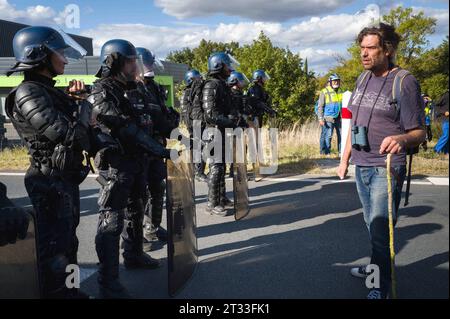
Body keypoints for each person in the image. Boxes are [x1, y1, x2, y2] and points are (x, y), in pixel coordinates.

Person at [337, 23, 426, 299]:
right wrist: (345, 159)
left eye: (371, 48)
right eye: (361, 48)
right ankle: (376, 265)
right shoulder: (362, 79)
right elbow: (353, 123)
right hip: (361, 164)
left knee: (379, 229)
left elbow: (420, 132)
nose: (364, 54)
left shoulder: (404, 81)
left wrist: (401, 139)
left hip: (386, 167)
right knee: (371, 224)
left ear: (386, 50)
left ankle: (379, 286)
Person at [5, 26, 92, 298]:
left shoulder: (48, 91)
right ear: (40, 55)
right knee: (54, 250)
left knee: (69, 244)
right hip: (48, 180)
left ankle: (71, 292)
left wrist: (78, 102)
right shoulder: (28, 93)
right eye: (60, 54)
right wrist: (85, 108)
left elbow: (80, 132)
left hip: (63, 178)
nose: (65, 60)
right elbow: (67, 135)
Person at [88, 40, 171, 298]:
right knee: (112, 220)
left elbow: (153, 119)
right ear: (114, 62)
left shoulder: (137, 89)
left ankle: (134, 254)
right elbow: (125, 127)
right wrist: (161, 151)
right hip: (116, 165)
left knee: (137, 208)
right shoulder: (101, 92)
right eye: (130, 60)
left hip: (137, 163)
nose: (135, 65)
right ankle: (108, 281)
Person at [135, 47, 180, 251]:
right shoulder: (129, 88)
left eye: (152, 63)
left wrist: (180, 136)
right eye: (148, 63)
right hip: (139, 149)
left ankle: (152, 226)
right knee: (138, 195)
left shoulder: (153, 87)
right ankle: (137, 237)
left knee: (157, 188)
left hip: (156, 147)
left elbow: (161, 118)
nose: (151, 67)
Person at [203, 52, 238, 216]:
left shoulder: (221, 84)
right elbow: (210, 114)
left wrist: (237, 119)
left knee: (222, 166)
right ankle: (212, 203)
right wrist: (229, 121)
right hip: (212, 132)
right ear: (218, 65)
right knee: (216, 168)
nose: (229, 68)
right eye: (226, 65)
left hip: (221, 131)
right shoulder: (211, 85)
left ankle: (221, 197)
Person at [181, 69, 208, 182]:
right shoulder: (188, 93)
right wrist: (190, 127)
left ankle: (197, 171)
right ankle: (198, 172)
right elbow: (185, 112)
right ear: (190, 79)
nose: (200, 79)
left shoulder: (196, 91)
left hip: (200, 121)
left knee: (202, 146)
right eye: (197, 77)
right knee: (199, 147)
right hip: (195, 123)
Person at [317, 74, 344, 155]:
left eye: (338, 81)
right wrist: (320, 119)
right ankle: (327, 152)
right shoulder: (324, 91)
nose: (336, 83)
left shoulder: (341, 91)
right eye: (334, 81)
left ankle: (340, 152)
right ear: (330, 82)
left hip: (339, 117)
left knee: (341, 135)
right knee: (328, 136)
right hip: (328, 117)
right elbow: (320, 106)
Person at [433, 90, 449, 154]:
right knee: (446, 135)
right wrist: (444, 112)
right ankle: (436, 149)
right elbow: (436, 106)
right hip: (446, 119)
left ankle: (445, 151)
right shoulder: (446, 95)